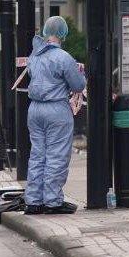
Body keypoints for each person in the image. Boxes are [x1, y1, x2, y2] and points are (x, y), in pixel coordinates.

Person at [24, 16, 86, 215]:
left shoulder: (34, 56)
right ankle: (52, 201)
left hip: (34, 109)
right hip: (56, 109)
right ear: (63, 34)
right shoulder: (64, 57)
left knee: (37, 154)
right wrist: (80, 72)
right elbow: (78, 85)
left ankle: (33, 201)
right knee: (56, 155)